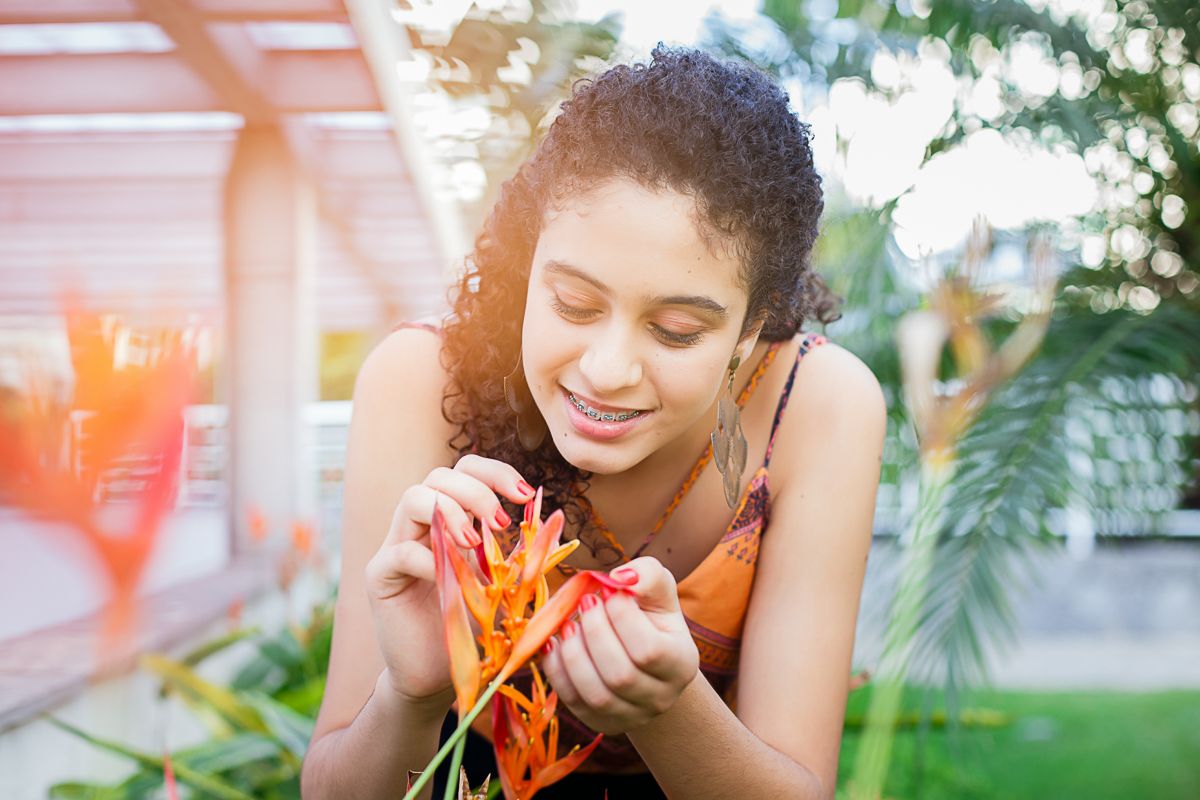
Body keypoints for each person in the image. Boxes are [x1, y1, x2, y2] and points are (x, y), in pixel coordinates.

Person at [300, 43, 885, 800]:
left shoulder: (819, 403)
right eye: (574, 304)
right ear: (529, 264)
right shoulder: (420, 381)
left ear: (751, 331)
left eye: (676, 330)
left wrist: (668, 708)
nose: (608, 369)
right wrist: (410, 695)